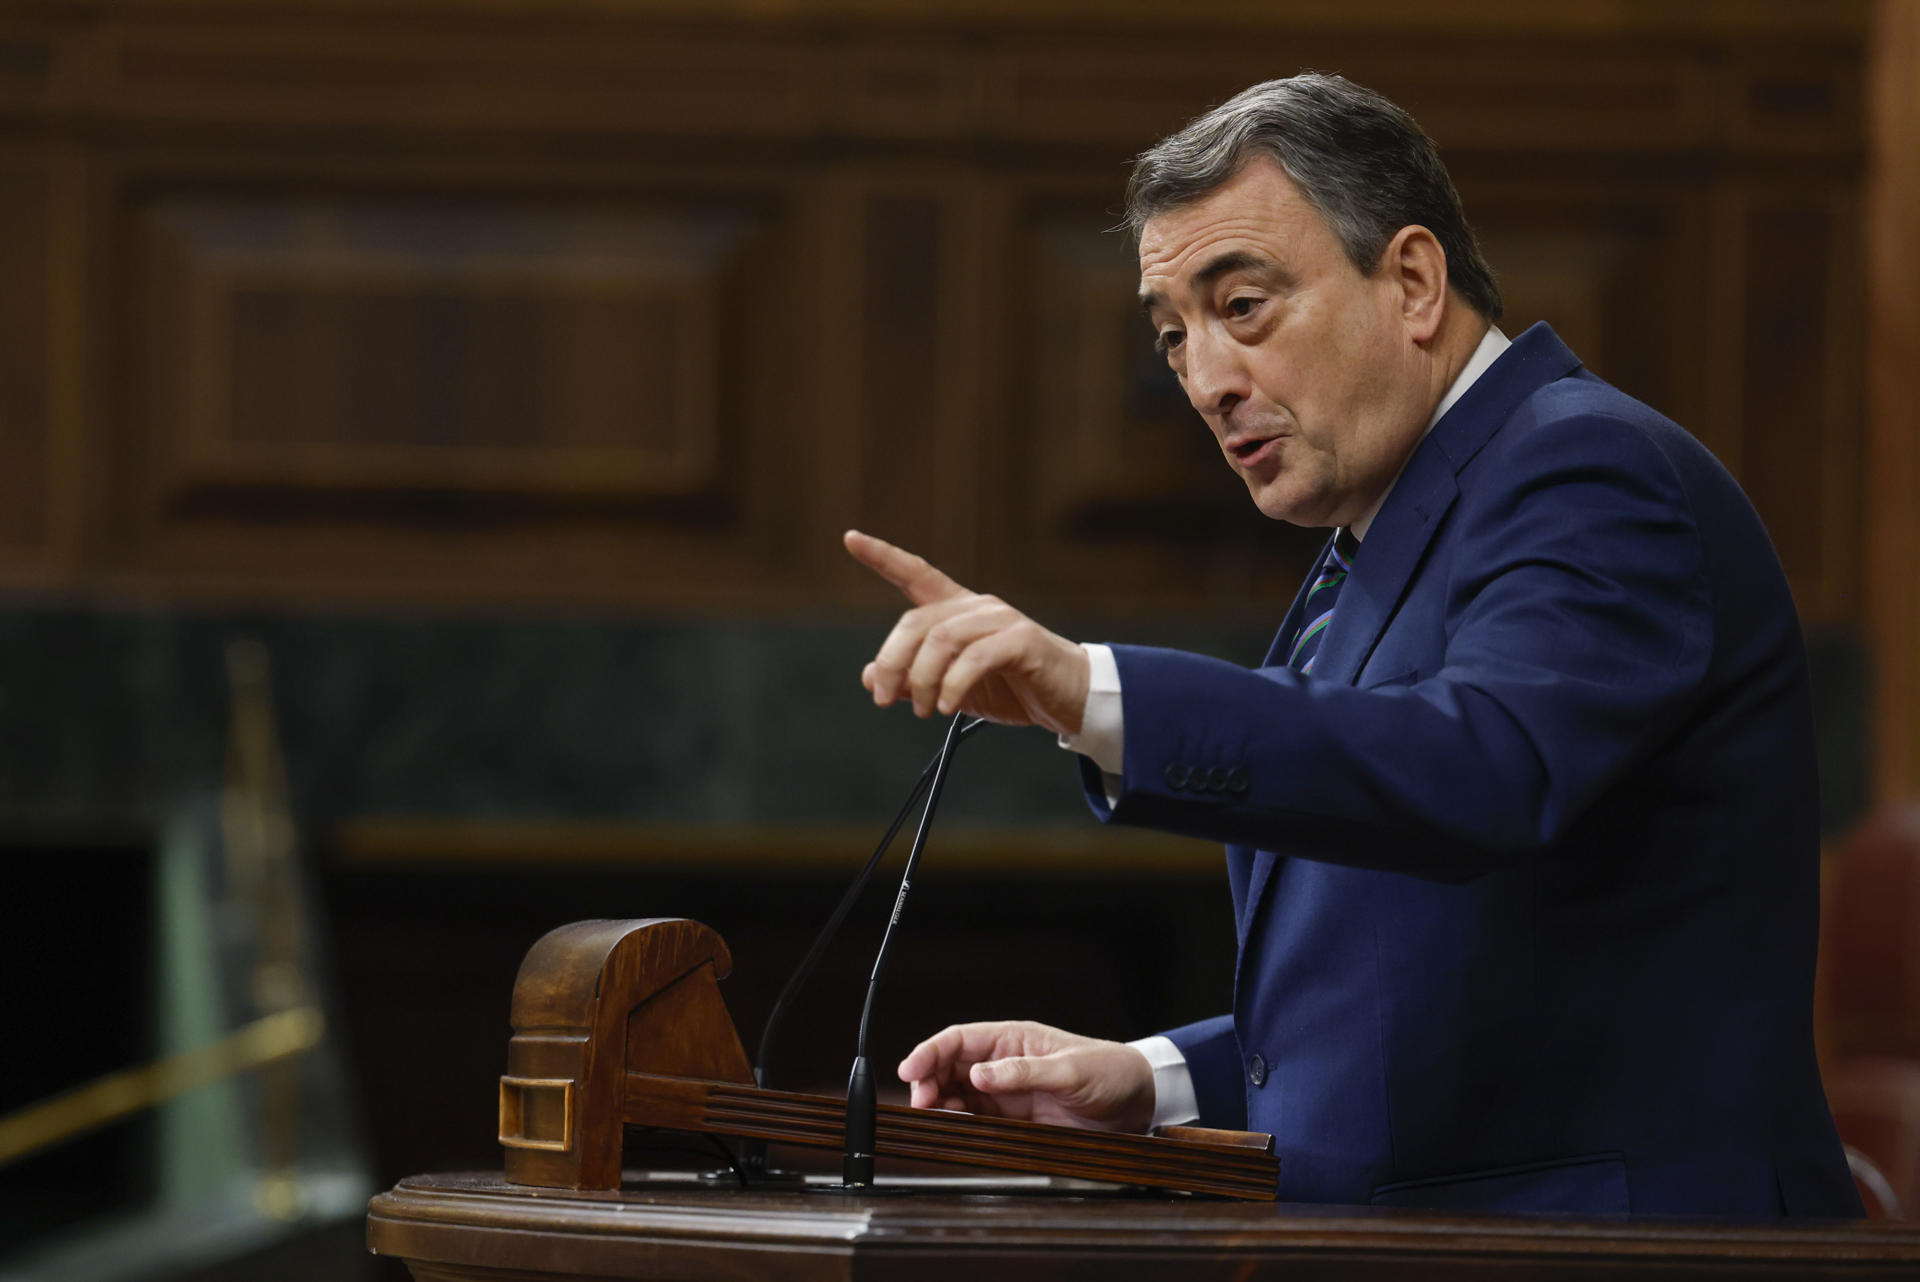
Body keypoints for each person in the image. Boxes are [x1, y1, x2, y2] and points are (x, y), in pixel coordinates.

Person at [844, 73, 1860, 1217]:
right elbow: (1435, 973)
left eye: (1243, 307)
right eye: (1175, 335)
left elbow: (1482, 768)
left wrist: (1092, 689)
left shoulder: (1585, 471)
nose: (1207, 381)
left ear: (1414, 283)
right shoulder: (1380, 538)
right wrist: (1153, 1080)